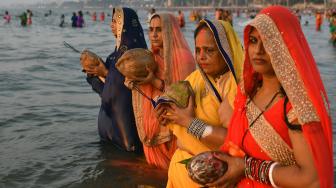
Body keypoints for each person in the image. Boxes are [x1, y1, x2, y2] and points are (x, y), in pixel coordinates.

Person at [206, 6, 333, 188]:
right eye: (253, 40)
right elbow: (233, 141)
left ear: (285, 46)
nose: (258, 50)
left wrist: (246, 168)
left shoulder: (297, 106)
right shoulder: (247, 92)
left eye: (268, 42)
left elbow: (313, 179)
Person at [160, 19, 244, 188]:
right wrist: (165, 115)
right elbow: (176, 120)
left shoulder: (238, 87)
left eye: (209, 50)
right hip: (180, 171)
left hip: (212, 178)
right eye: (197, 50)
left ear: (226, 50)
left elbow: (235, 141)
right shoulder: (194, 79)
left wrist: (188, 122)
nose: (201, 57)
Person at [127, 13, 195, 169]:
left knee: (172, 171)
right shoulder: (151, 59)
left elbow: (182, 97)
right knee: (154, 172)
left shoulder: (183, 58)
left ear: (170, 31)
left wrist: (153, 81)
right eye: (151, 30)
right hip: (152, 125)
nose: (154, 34)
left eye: (159, 29)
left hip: (173, 126)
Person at [82, 7, 147, 152]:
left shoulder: (135, 55)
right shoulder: (113, 56)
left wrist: (104, 72)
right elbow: (106, 92)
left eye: (116, 21)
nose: (111, 25)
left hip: (126, 132)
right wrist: (93, 74)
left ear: (126, 24)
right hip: (110, 129)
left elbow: (120, 90)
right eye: (111, 21)